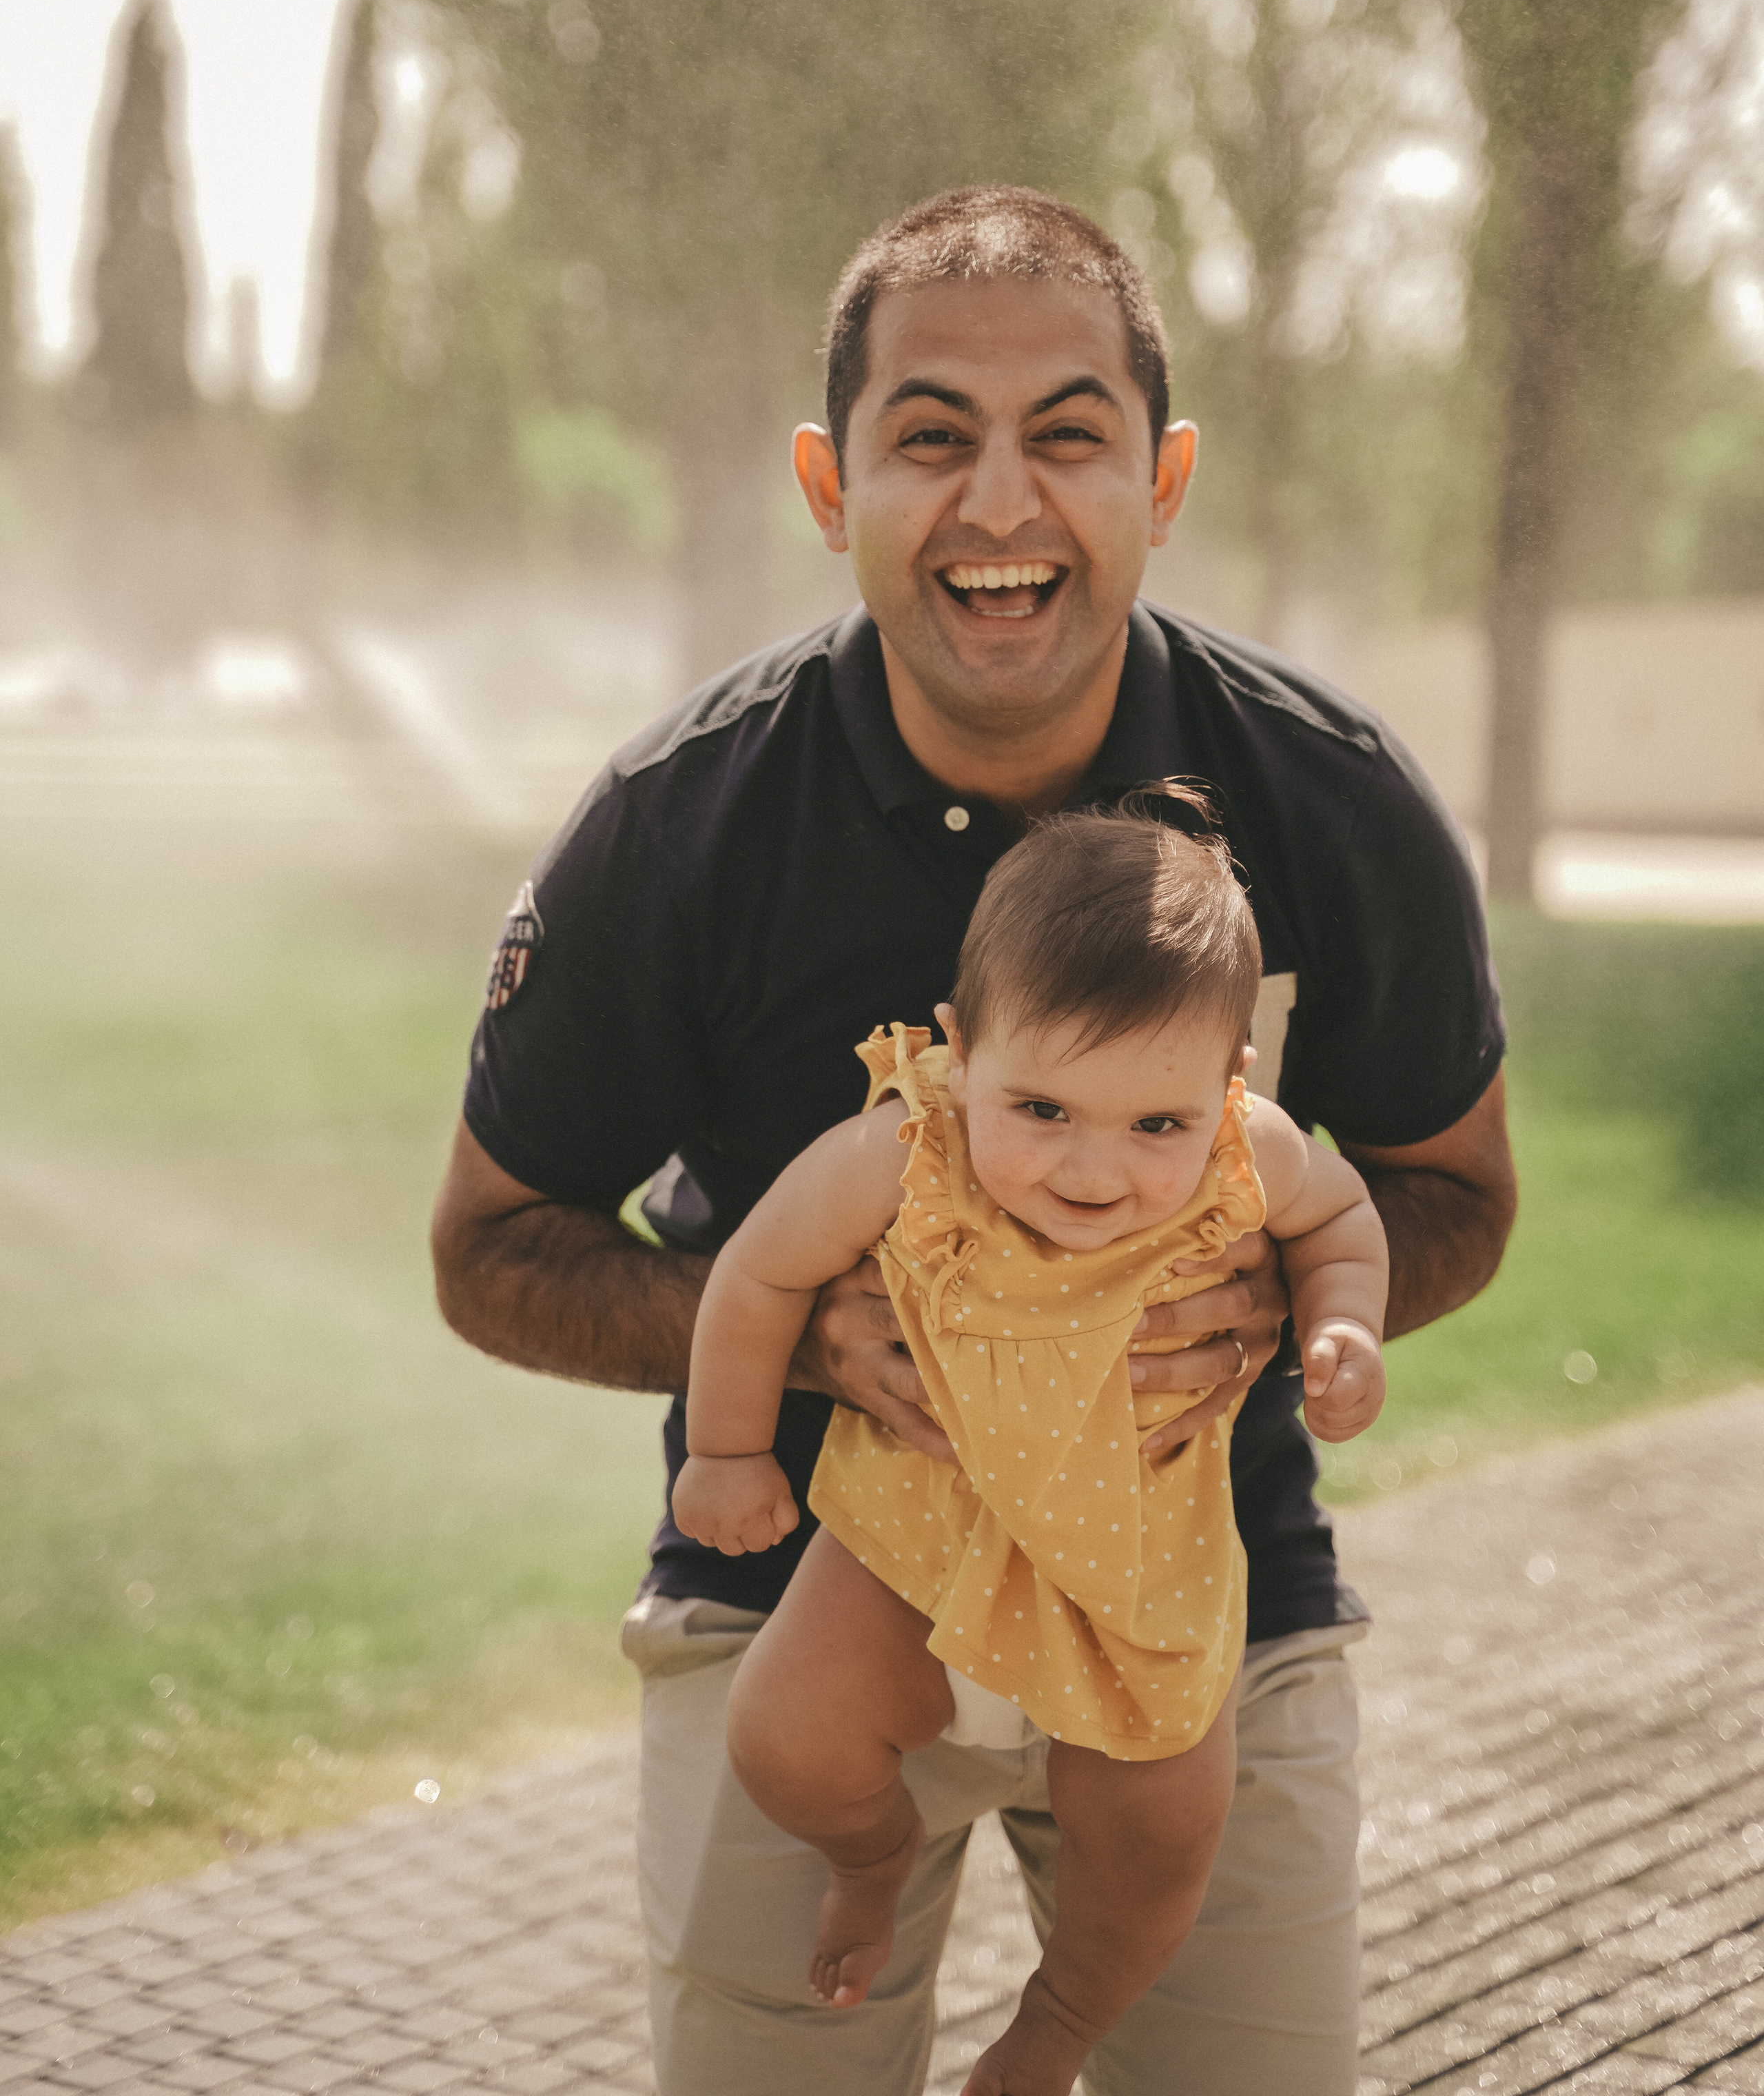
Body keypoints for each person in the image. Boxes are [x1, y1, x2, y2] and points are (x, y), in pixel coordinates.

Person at [431, 183, 1517, 2096]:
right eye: (930, 438)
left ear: (1162, 481)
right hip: (804, 1595)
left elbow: (1452, 1194)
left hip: (1208, 1596)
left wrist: (1281, 1310)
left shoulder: (1332, 799)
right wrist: (789, 1339)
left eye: (1069, 437)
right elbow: (490, 1247)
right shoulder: (678, 828)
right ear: (827, 484)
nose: (1000, 505)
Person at [672, 793, 1389, 2096]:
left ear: (1228, 1085)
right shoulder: (904, 1147)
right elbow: (759, 1274)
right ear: (962, 1050)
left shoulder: (1252, 1153)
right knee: (781, 1734)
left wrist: (1344, 1330)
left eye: (1155, 1126)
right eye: (1043, 1108)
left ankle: (1053, 2030)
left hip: (1138, 1574)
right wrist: (729, 1452)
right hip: (913, 1544)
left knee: (1167, 1834)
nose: (1094, 1171)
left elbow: (1343, 1223)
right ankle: (869, 1858)